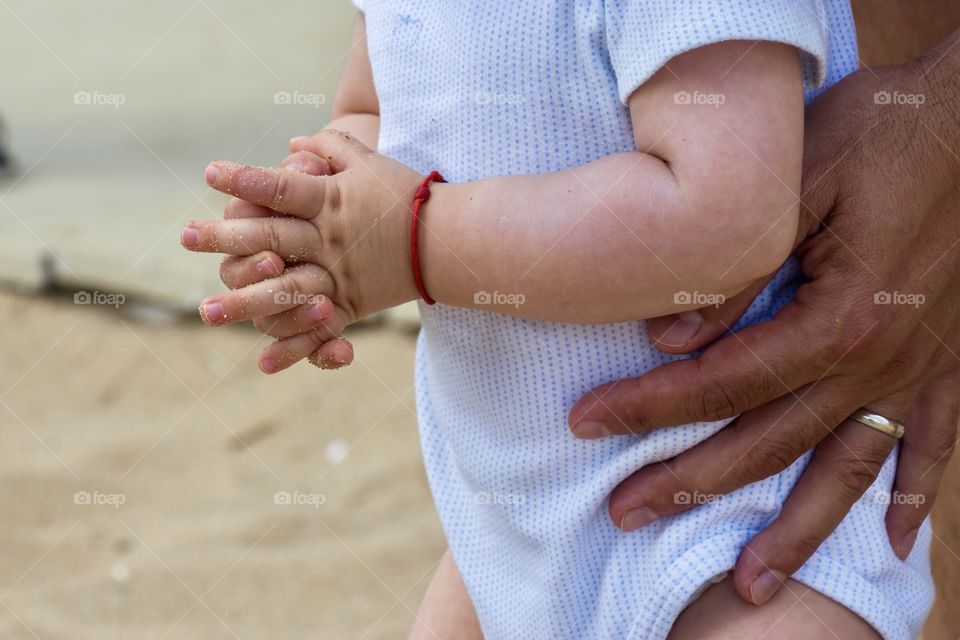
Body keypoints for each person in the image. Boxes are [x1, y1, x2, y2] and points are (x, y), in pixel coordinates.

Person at [182, 1, 936, 638]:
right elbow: (376, 112)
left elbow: (727, 216)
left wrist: (417, 241)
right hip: (506, 527)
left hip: (740, 520)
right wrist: (325, 222)